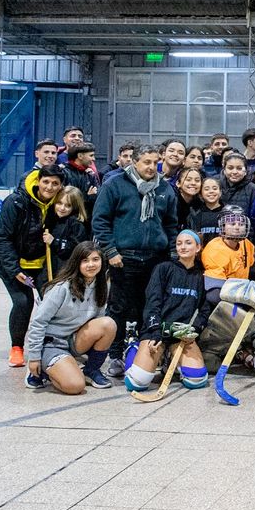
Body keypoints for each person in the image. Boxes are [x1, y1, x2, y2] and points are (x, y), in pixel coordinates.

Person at [92, 143, 179, 377]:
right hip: (123, 258)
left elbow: (171, 225)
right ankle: (114, 355)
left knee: (149, 308)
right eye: (146, 162)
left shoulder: (165, 189)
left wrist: (171, 255)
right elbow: (100, 221)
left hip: (155, 259)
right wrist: (110, 251)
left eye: (155, 163)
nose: (151, 167)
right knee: (118, 308)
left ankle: (144, 356)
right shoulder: (114, 185)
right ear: (134, 162)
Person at [0, 164, 65, 367]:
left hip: (40, 262)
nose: (49, 187)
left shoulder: (60, 202)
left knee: (52, 299)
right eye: (46, 182)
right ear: (38, 181)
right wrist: (14, 270)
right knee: (23, 301)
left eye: (55, 183)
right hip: (11, 262)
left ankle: (54, 344)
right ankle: (17, 347)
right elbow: (2, 238)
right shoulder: (16, 202)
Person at [22, 243, 117, 393]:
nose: (91, 265)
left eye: (95, 259)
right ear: (76, 262)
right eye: (85, 261)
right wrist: (34, 357)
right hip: (51, 343)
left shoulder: (101, 286)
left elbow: (96, 322)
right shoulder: (61, 288)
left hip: (73, 340)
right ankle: (42, 371)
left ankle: (90, 371)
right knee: (75, 386)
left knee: (108, 324)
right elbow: (38, 322)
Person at [124, 231, 210, 393]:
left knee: (197, 380)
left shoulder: (201, 275)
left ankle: (170, 357)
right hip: (158, 330)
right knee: (136, 382)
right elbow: (152, 303)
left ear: (198, 247)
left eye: (188, 243)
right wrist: (155, 332)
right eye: (179, 243)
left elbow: (204, 309)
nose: (182, 247)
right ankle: (133, 347)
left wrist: (195, 330)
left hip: (180, 333)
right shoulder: (163, 268)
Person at [40, 186, 89, 287]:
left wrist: (54, 242)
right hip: (51, 271)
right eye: (59, 203)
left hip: (66, 274)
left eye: (68, 205)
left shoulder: (76, 224)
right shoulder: (53, 220)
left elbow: (76, 249)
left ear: (75, 207)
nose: (62, 208)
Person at [202, 207, 255, 282]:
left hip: (242, 289)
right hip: (223, 290)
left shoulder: (246, 244)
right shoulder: (214, 250)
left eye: (241, 224)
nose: (237, 227)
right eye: (232, 224)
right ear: (223, 227)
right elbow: (215, 288)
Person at [61, 141, 100, 219]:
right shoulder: (63, 173)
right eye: (91, 155)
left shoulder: (90, 175)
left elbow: (98, 197)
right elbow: (67, 200)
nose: (94, 159)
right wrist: (88, 197)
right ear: (80, 156)